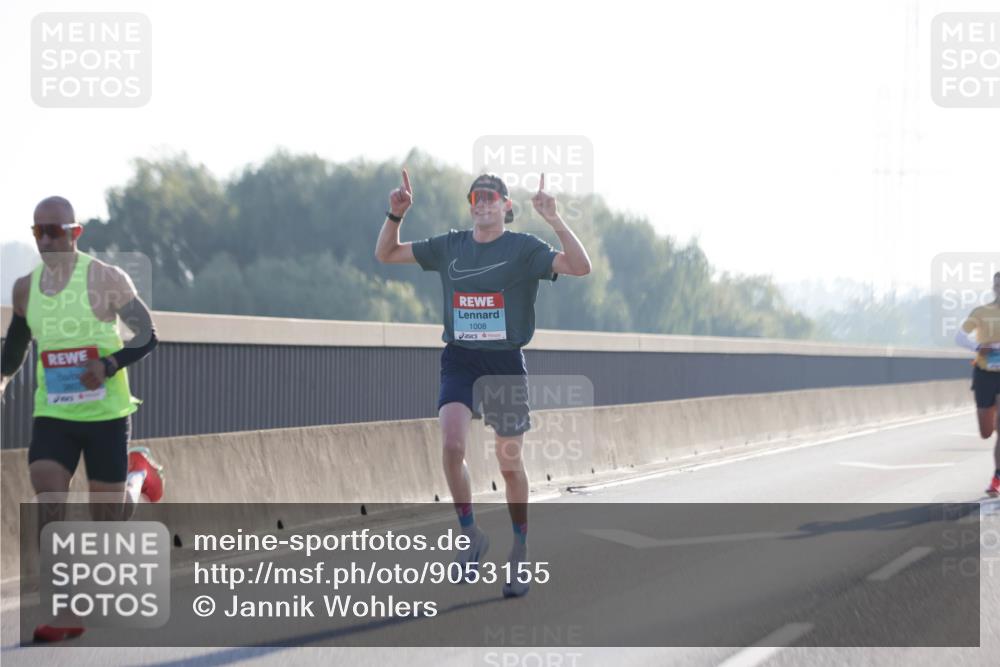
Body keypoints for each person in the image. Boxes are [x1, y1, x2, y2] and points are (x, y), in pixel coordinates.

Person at [375, 169, 591, 597]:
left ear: (507, 207)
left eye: (493, 197)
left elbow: (580, 267)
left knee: (509, 465)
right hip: (460, 358)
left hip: (505, 363)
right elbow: (386, 254)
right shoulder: (450, 245)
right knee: (452, 446)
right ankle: (470, 534)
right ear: (471, 205)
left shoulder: (524, 249)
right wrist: (395, 213)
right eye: (478, 197)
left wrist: (554, 219)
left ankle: (520, 551)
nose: (485, 203)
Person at [0, 196, 163, 642]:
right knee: (47, 493)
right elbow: (15, 344)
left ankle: (138, 472)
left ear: (76, 232)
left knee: (107, 519)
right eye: (40, 232)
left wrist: (108, 365)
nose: (48, 240)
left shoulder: (106, 279)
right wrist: (1, 377)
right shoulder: (24, 288)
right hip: (54, 412)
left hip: (106, 415)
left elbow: (148, 336)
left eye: (57, 230)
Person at [956, 271, 1000, 497]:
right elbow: (959, 336)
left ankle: (997, 478)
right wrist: (977, 348)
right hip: (985, 373)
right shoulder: (981, 312)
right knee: (986, 431)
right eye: (998, 286)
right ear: (994, 288)